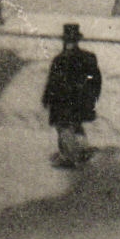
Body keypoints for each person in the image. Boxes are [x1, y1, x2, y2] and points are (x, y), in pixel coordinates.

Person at [41, 23, 102, 169]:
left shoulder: (60, 59)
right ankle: (81, 150)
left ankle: (69, 157)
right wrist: (92, 97)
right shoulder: (88, 57)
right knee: (76, 124)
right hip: (80, 101)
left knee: (64, 127)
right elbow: (96, 80)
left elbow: (52, 82)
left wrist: (47, 98)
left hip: (63, 102)